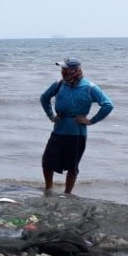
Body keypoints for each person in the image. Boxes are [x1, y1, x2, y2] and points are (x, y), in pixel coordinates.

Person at [40, 57, 114, 194]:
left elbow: (108, 105)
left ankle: (67, 194)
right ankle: (48, 189)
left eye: (65, 69)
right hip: (58, 130)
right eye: (62, 69)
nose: (62, 71)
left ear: (74, 70)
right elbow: (44, 98)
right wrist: (51, 116)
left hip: (76, 134)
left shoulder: (90, 87)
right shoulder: (59, 84)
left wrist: (91, 120)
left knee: (72, 167)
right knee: (47, 162)